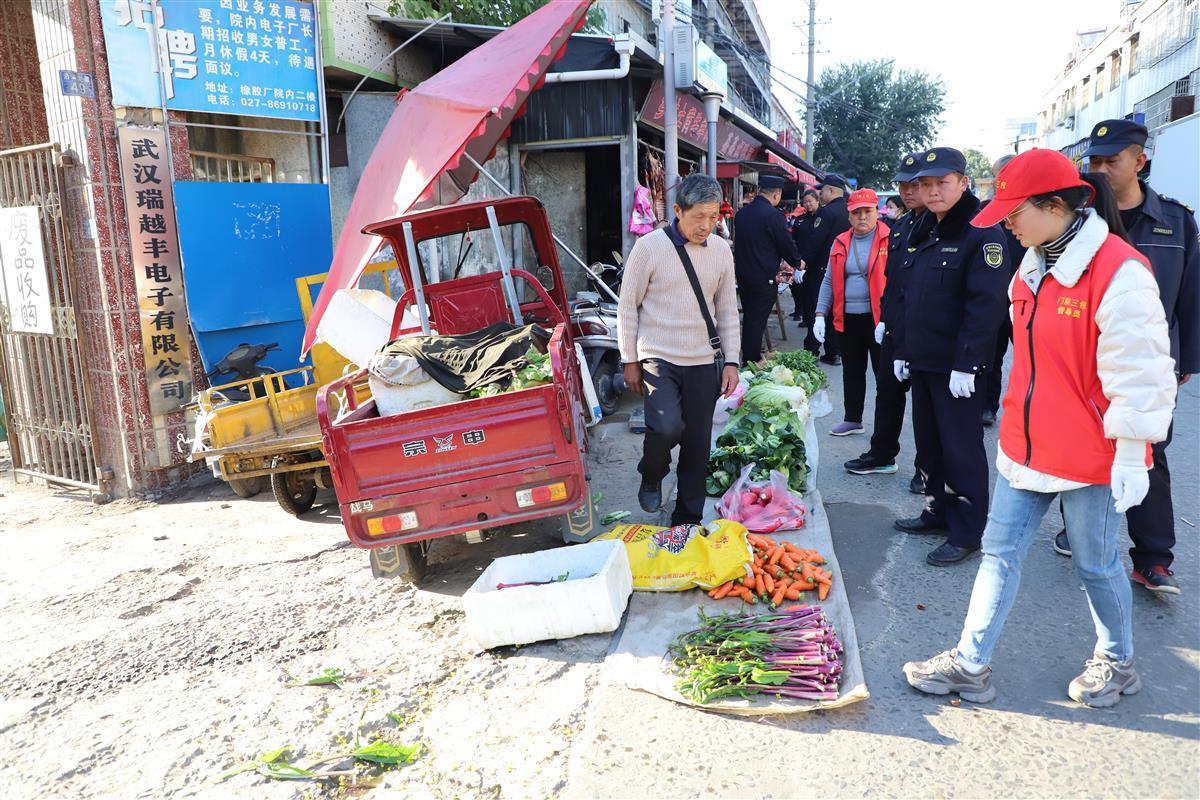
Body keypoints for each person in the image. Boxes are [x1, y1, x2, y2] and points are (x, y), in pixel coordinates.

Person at [903, 148, 1176, 708]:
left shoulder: (1119, 271)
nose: (1007, 223)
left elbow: (1144, 372)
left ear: (1056, 206)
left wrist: (1132, 451)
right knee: (998, 551)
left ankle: (1118, 661)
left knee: (1095, 563)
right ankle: (971, 663)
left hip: (1090, 453)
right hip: (1024, 445)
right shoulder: (1033, 264)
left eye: (1015, 212)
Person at [1053, 119, 1199, 595]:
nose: (1099, 169)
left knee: (1148, 450)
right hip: (1083, 359)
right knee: (1079, 446)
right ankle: (1077, 528)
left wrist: (1186, 361)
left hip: (1149, 362)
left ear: (1139, 161)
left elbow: (1191, 297)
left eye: (1110, 161)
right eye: (1093, 161)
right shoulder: (1078, 220)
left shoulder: (1176, 222)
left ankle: (1153, 557)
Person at [889, 147, 1011, 566]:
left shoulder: (981, 232)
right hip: (923, 360)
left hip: (956, 366)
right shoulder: (925, 228)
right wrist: (903, 350)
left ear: (963, 182)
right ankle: (937, 510)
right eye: (925, 184)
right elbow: (911, 297)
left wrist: (969, 362)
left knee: (960, 448)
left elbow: (986, 305)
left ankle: (966, 529)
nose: (932, 191)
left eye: (942, 182)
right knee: (930, 445)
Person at [618, 174, 742, 526]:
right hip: (659, 356)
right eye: (698, 217)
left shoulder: (720, 251)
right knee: (666, 427)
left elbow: (727, 310)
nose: (706, 225)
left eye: (713, 217)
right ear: (677, 210)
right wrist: (629, 359)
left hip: (704, 360)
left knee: (698, 443)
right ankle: (652, 472)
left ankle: (686, 518)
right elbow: (628, 307)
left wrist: (731, 361)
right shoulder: (649, 248)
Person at [844, 153, 926, 479]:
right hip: (895, 324)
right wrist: (885, 320)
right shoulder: (901, 227)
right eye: (902, 184)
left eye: (915, 184)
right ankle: (881, 452)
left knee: (926, 404)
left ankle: (927, 469)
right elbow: (894, 281)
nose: (907, 190)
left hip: (927, 329)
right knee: (887, 391)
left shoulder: (943, 228)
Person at [812, 188, 890, 436]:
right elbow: (828, 280)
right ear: (849, 216)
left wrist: (892, 317)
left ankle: (885, 426)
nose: (862, 217)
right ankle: (853, 418)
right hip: (847, 318)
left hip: (880, 320)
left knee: (883, 375)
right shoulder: (840, 241)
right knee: (852, 370)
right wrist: (819, 314)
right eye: (857, 212)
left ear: (877, 212)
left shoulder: (891, 238)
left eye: (867, 211)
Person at [977, 154, 1029, 428]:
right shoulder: (988, 211)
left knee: (1030, 355)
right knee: (989, 357)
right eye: (998, 176)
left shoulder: (1032, 208)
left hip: (1026, 298)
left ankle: (1029, 406)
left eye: (1005, 174)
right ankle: (987, 406)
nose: (1000, 181)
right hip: (994, 297)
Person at [732, 175, 804, 363]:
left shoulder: (742, 213)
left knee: (751, 315)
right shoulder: (773, 215)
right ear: (776, 194)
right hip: (763, 275)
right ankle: (752, 359)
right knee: (756, 319)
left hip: (743, 274)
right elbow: (785, 243)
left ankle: (755, 352)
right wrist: (797, 261)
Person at [803, 173, 851, 364]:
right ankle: (834, 351)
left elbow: (815, 242)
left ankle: (811, 350)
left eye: (821, 191)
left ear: (831, 190)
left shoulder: (826, 212)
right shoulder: (849, 210)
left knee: (819, 309)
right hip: (845, 268)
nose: (820, 194)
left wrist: (803, 263)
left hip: (823, 269)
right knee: (836, 311)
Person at [789, 190, 821, 321]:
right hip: (800, 259)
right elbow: (793, 238)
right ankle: (799, 311)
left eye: (810, 202)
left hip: (816, 260)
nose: (807, 204)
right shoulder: (800, 219)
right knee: (796, 287)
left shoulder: (822, 218)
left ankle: (810, 317)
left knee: (812, 292)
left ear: (817, 201)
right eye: (805, 202)